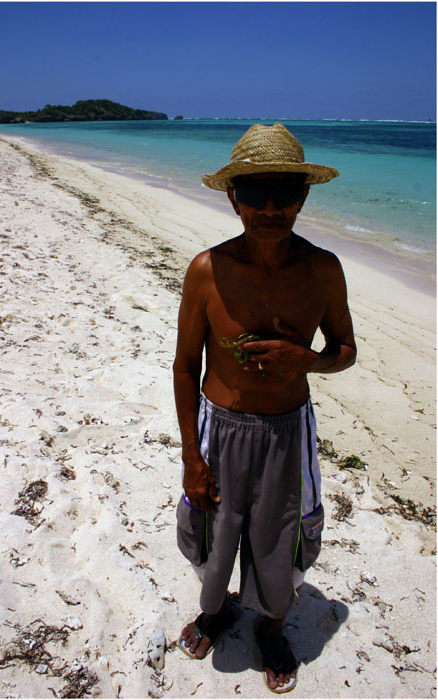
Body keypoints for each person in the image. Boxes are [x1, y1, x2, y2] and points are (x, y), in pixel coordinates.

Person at [173, 122, 356, 693]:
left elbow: (345, 350)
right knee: (211, 529)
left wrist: (306, 360)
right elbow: (186, 366)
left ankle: (272, 627)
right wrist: (191, 456)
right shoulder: (208, 270)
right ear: (234, 198)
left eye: (285, 193)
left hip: (288, 432)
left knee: (285, 536)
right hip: (219, 429)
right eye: (255, 193)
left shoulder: (322, 270)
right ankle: (215, 612)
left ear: (304, 198)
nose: (271, 208)